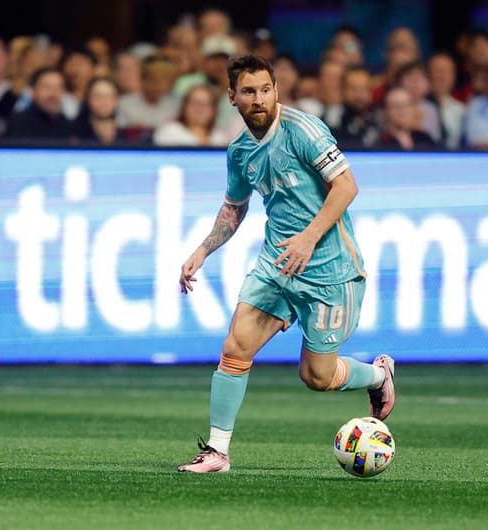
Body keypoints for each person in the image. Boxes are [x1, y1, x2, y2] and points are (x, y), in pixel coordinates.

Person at [176, 55, 395, 473]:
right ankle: (218, 452)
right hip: (277, 265)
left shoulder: (304, 131)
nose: (258, 99)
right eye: (248, 92)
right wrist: (203, 250)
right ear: (232, 97)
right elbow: (233, 208)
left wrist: (308, 240)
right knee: (235, 347)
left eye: (264, 89)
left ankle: (378, 376)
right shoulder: (240, 150)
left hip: (331, 271)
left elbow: (347, 186)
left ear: (276, 90)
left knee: (317, 376)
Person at [5, 66, 71, 140]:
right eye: (47, 87)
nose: (53, 94)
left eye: (59, 87)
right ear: (33, 91)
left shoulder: (69, 125)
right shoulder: (18, 123)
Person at [153, 84, 230, 146]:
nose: (200, 108)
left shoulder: (220, 137)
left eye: (206, 104)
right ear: (184, 107)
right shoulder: (169, 132)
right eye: (195, 103)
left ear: (214, 110)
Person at [70, 76, 129, 145]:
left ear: (116, 100)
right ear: (88, 99)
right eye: (97, 96)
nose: (104, 101)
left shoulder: (125, 135)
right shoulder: (73, 133)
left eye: (109, 96)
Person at [377, 86, 436, 150]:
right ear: (386, 111)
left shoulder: (424, 138)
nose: (402, 110)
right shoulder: (380, 143)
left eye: (405, 105)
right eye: (396, 106)